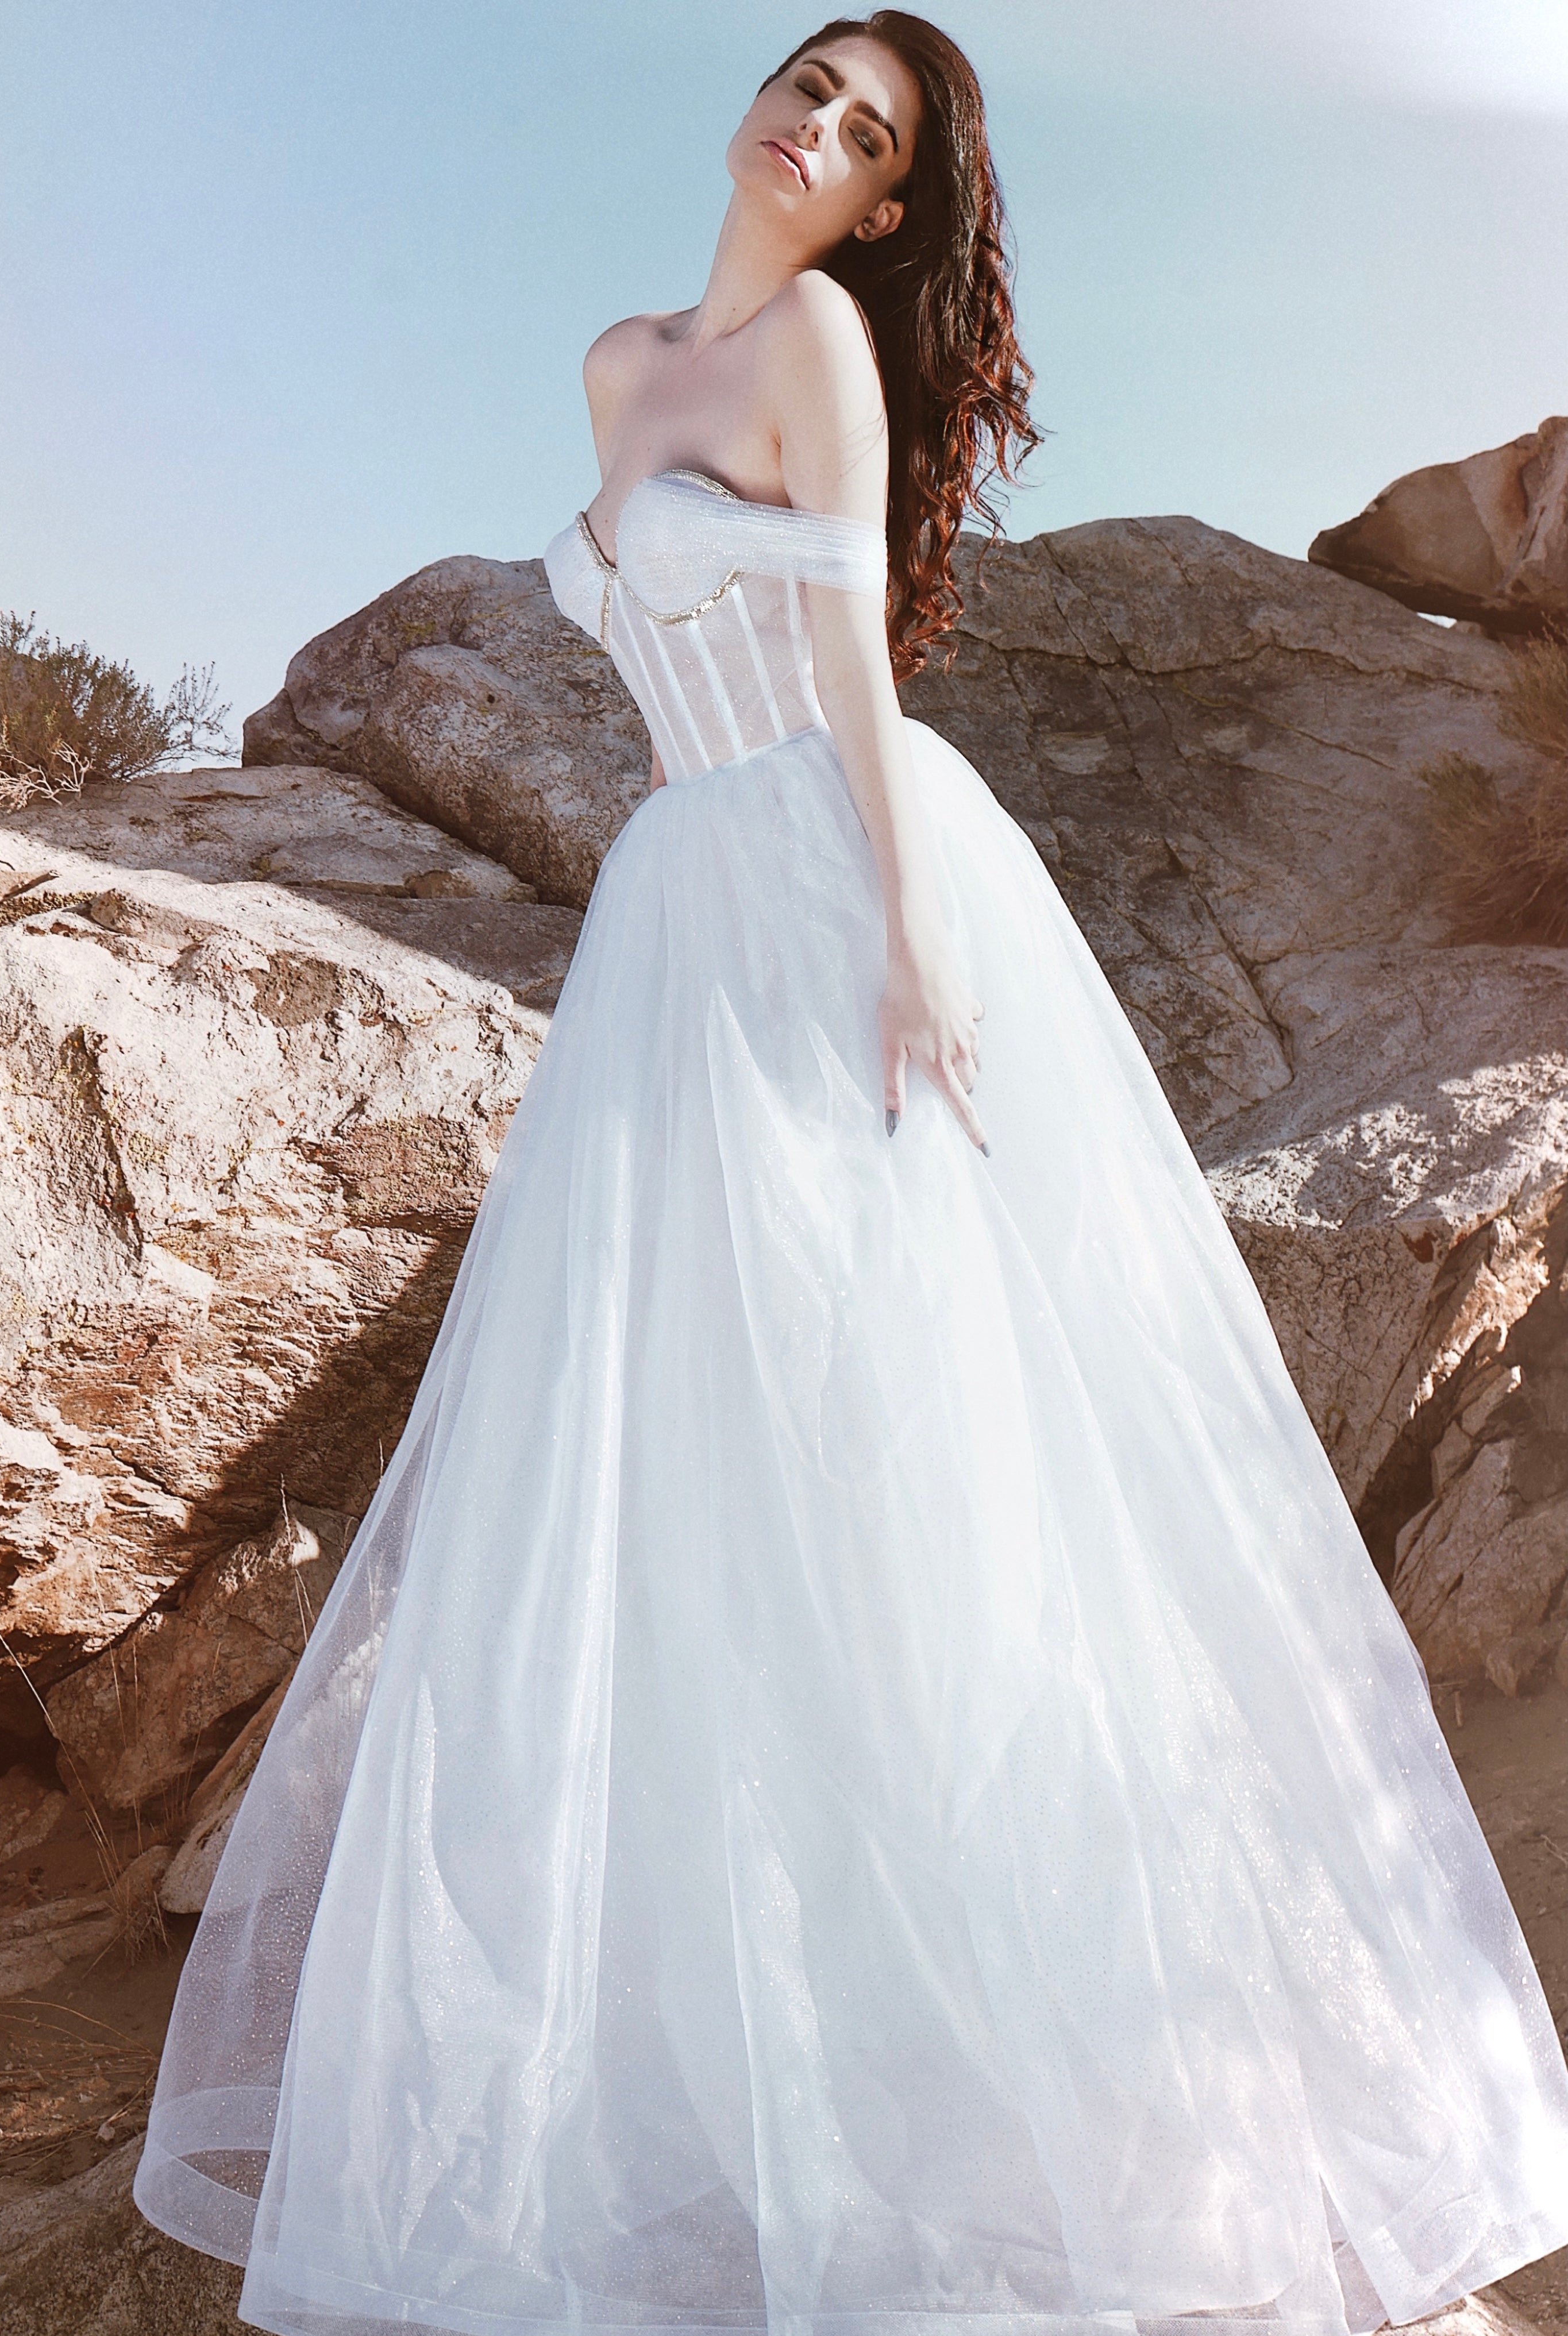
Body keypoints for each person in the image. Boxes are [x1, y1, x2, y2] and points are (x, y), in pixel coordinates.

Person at [133, 16, 1568, 2334]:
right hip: (676, 905)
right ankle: (733, 2047)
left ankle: (1016, 2043)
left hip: (826, 866)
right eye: (807, 83)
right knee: (692, 1443)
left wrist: (910, 934)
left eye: (863, 132)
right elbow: (661, 661)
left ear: (887, 205)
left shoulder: (813, 335)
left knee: (900, 1416)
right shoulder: (617, 366)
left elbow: (848, 674)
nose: (810, 128)